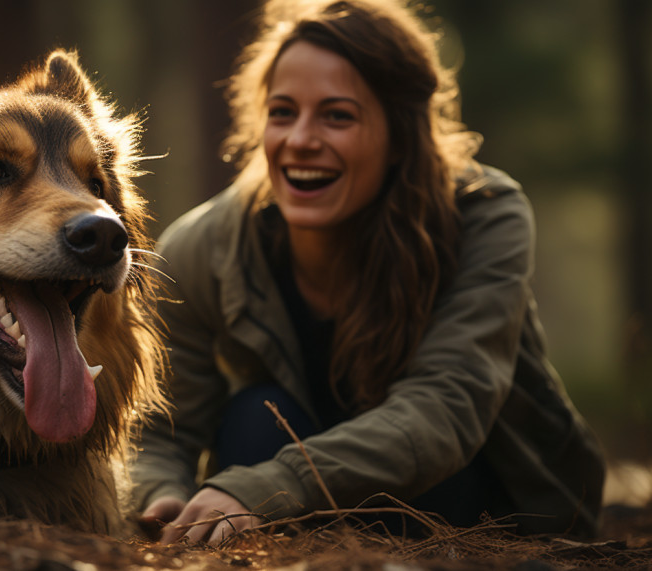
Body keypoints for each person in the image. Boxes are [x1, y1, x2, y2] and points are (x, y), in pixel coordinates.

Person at [131, 0, 605, 545]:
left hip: (476, 503)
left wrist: (266, 485)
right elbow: (159, 429)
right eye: (282, 112)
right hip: (296, 502)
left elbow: (446, 409)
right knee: (259, 417)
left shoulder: (483, 216)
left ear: (401, 135)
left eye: (337, 115)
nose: (301, 139)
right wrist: (158, 492)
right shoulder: (206, 246)